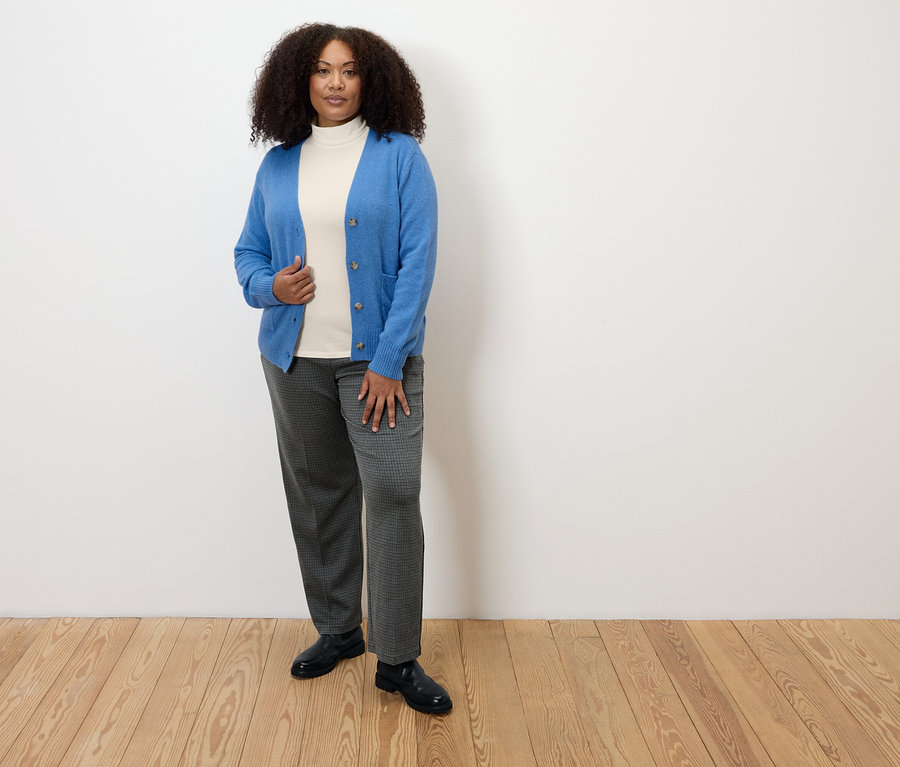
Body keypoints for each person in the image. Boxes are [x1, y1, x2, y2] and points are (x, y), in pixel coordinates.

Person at [233, 23, 450, 715]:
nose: (334, 82)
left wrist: (389, 361)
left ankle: (398, 655)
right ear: (300, 79)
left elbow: (418, 264)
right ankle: (336, 630)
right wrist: (273, 288)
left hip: (376, 365)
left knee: (389, 494)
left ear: (371, 80)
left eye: (349, 71)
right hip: (294, 359)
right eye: (323, 70)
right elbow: (247, 256)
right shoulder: (277, 164)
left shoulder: (400, 158)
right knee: (320, 496)